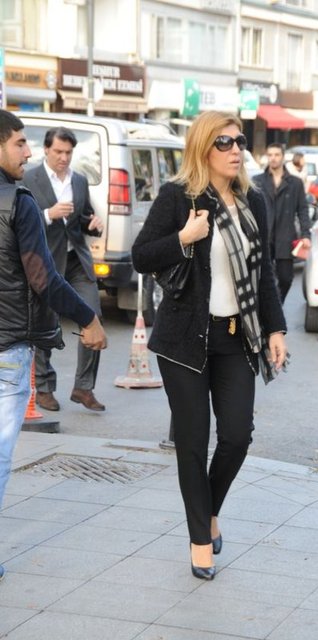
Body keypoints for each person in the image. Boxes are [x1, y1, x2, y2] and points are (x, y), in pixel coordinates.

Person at [132, 111, 288, 581]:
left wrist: (276, 329)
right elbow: (141, 255)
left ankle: (210, 510)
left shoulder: (253, 201)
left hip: (238, 337)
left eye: (239, 141)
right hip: (184, 340)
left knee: (237, 436)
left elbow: (264, 274)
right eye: (224, 142)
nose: (235, 149)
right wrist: (184, 237)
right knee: (193, 442)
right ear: (203, 148)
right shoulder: (178, 197)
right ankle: (200, 539)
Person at [0, 109, 107, 581]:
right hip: (7, 349)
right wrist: (88, 318)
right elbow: (42, 278)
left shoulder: (33, 194)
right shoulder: (18, 202)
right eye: (19, 142)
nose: (27, 152)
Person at [23, 127, 105, 412]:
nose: (64, 157)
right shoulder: (29, 178)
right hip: (45, 261)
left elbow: (83, 217)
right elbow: (19, 218)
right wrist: (48, 214)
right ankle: (44, 387)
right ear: (46, 149)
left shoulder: (79, 180)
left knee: (93, 316)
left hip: (76, 260)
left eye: (68, 152)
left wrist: (93, 225)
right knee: (45, 323)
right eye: (58, 151)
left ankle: (84, 387)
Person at [253, 143, 311, 306]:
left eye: (277, 155)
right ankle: (264, 310)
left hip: (285, 236)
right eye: (270, 155)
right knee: (261, 277)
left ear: (283, 157)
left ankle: (276, 306)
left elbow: (302, 210)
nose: (273, 158)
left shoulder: (295, 183)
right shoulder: (257, 181)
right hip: (263, 236)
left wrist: (306, 235)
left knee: (286, 278)